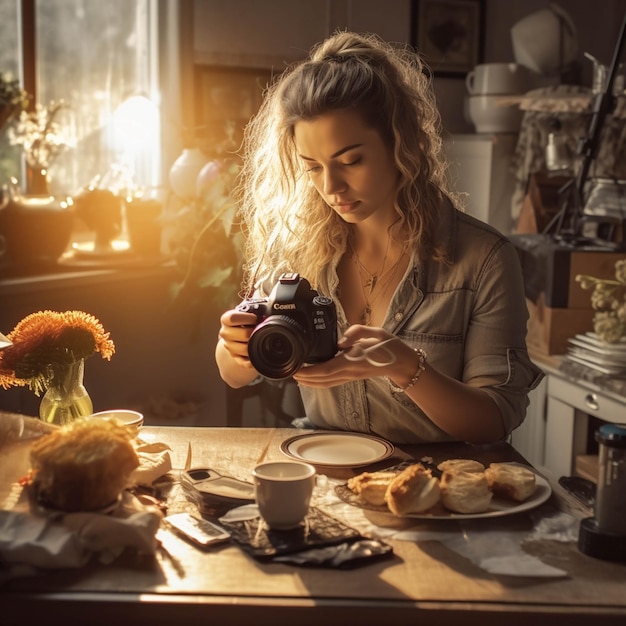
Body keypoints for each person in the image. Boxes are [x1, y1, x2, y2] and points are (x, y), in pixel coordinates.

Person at [215, 30, 544, 445]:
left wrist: (406, 367)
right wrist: (236, 346)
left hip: (437, 488)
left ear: (399, 143)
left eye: (351, 160)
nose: (331, 186)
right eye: (313, 167)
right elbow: (232, 374)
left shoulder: (484, 261)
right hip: (325, 476)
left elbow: (495, 420)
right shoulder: (300, 253)